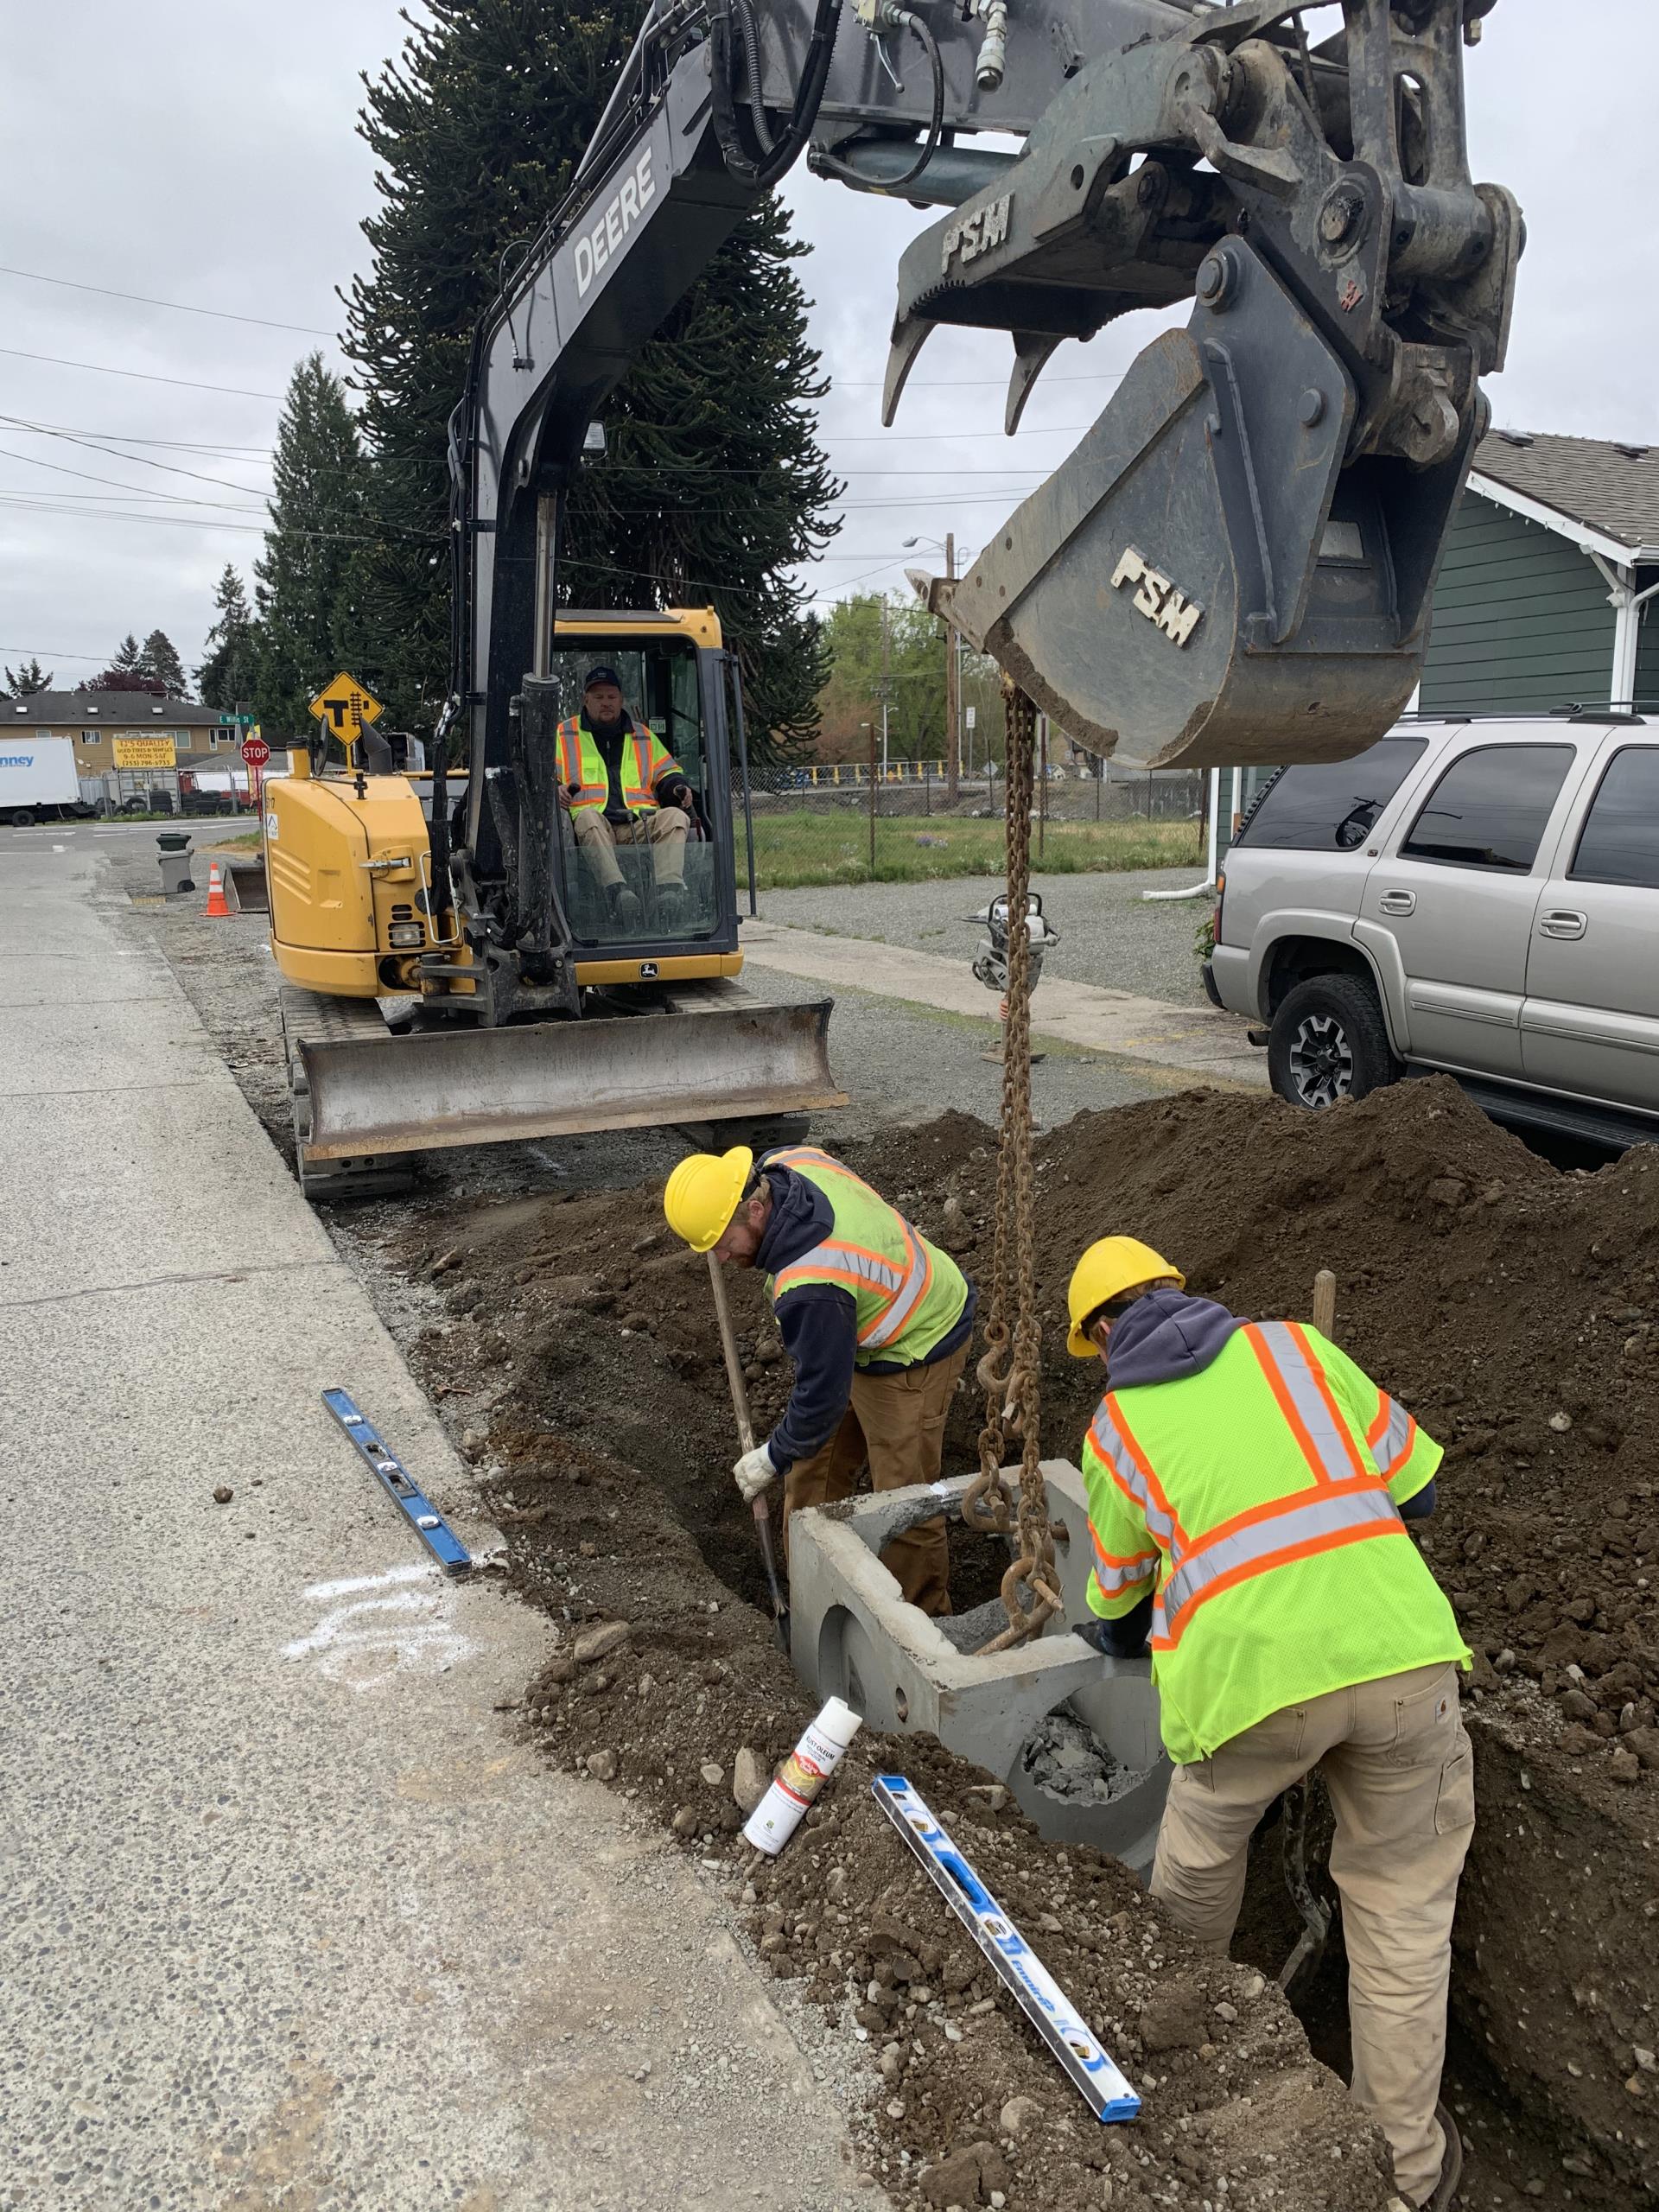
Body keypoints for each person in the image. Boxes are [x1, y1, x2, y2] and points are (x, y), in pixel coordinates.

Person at [1065, 1236, 1472, 2212]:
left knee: (1200, 1857)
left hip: (1250, 1688)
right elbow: (1415, 1484)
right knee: (1404, 1909)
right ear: (1179, 1290)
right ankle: (1405, 2171)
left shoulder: (1118, 1425)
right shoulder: (1296, 1347)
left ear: (1106, 1332)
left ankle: (1182, 2066)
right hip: (1404, 1655)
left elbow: (1118, 1606)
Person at [664, 1141, 977, 1615]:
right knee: (811, 1473)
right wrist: (790, 1452)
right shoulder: (783, 1162)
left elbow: (820, 1399)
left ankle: (922, 1626)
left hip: (920, 1335)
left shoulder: (811, 1285)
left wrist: (771, 1455)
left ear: (754, 1207)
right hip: (859, 1320)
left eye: (725, 1244)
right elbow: (822, 1388)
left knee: (903, 1499)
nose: (723, 1259)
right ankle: (810, 1604)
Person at [556, 666, 697, 927]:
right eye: (598, 698)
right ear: (585, 700)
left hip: (640, 825)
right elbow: (544, 778)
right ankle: (618, 894)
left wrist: (678, 786)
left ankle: (669, 893)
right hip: (597, 828)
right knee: (587, 817)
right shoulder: (564, 735)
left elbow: (666, 772)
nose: (606, 703)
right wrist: (557, 790)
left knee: (675, 816)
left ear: (621, 699)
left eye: (611, 697)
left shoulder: (642, 735)